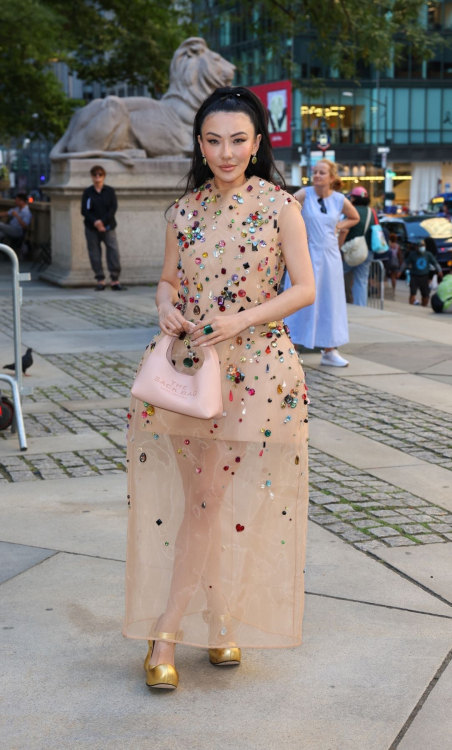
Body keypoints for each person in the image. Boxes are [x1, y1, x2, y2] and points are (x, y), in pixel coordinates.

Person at [123, 86, 315, 690]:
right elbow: (166, 281)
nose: (226, 152)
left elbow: (304, 288)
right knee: (202, 500)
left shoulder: (280, 206)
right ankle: (218, 617)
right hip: (189, 372)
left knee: (210, 502)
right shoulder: (183, 212)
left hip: (258, 372)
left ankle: (168, 628)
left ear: (258, 143)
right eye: (213, 140)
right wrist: (165, 306)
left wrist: (241, 318)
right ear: (200, 144)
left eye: (238, 140)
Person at [284, 160, 359, 367]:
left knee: (330, 301)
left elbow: (355, 217)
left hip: (331, 257)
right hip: (306, 254)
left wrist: (339, 225)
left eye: (322, 172)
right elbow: (284, 211)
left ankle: (329, 350)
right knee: (299, 299)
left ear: (331, 177)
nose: (317, 175)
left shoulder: (338, 199)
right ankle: (291, 349)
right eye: (315, 172)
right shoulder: (304, 194)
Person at [81, 166, 124, 291]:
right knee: (94, 253)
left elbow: (113, 208)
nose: (97, 177)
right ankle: (100, 279)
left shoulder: (110, 191)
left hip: (108, 226)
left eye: (100, 174)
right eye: (95, 174)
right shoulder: (88, 192)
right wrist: (96, 222)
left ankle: (115, 279)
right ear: (91, 176)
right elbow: (84, 210)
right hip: (91, 227)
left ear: (104, 176)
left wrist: (102, 222)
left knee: (113, 251)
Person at [343, 186, 377, 306]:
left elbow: (343, 229)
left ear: (353, 198)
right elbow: (376, 229)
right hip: (366, 251)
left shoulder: (349, 211)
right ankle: (360, 306)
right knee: (361, 281)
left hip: (350, 251)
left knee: (336, 276)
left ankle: (335, 304)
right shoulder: (372, 212)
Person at [404, 240, 442, 306]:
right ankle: (410, 306)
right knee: (412, 293)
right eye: (420, 246)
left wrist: (439, 270)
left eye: (423, 246)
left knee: (425, 294)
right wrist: (399, 271)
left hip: (424, 276)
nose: (422, 247)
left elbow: (435, 263)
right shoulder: (412, 254)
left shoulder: (428, 254)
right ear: (416, 247)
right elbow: (405, 263)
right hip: (414, 276)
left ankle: (423, 306)